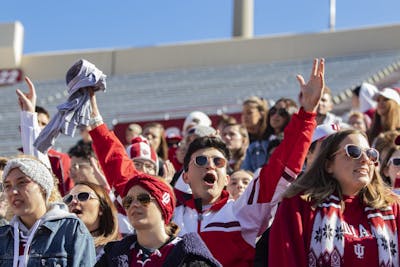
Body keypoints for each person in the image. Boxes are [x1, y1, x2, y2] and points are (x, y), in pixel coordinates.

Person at [88, 58, 325, 266]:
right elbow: (125, 177)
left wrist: (307, 113)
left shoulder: (244, 213)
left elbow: (281, 165)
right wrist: (96, 124)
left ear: (227, 177)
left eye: (219, 162)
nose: (210, 165)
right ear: (186, 175)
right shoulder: (168, 215)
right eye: (200, 160)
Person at [268, 129, 400, 266]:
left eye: (371, 154)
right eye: (353, 152)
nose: (365, 159)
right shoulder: (299, 205)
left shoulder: (392, 207)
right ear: (328, 165)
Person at [96, 173, 221, 266]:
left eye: (143, 199)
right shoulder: (112, 255)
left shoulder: (190, 257)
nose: (134, 204)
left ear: (163, 206)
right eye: (128, 201)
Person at [0, 155, 95, 266]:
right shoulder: (3, 236)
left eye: (22, 182)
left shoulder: (71, 229)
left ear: (43, 187)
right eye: (7, 186)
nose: (13, 191)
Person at [16, 76, 73, 196]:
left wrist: (28, 115)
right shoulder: (13, 161)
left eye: (44, 124)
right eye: (36, 123)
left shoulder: (61, 159)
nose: (39, 127)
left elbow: (65, 193)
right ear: (21, 129)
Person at [64, 181, 119, 260]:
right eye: (68, 199)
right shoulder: (56, 249)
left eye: (83, 196)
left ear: (101, 208)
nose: (73, 201)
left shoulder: (115, 252)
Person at [241, 97, 298, 172]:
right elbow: (245, 173)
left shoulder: (295, 143)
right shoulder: (254, 147)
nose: (276, 115)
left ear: (291, 115)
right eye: (273, 111)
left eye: (282, 112)